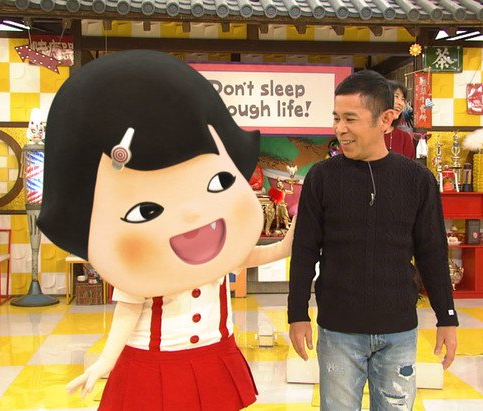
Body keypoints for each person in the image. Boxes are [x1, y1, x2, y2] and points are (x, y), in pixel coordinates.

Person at [37, 50, 294, 410]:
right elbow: (128, 310)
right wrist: (106, 361)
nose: (191, 213)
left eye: (219, 182)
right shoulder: (140, 267)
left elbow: (256, 255)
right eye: (145, 211)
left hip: (214, 352)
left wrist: (292, 238)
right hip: (154, 361)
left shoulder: (220, 250)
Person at [288, 70, 458, 411]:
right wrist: (297, 313)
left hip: (399, 331)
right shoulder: (321, 177)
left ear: (386, 119)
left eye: (350, 119)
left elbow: (432, 252)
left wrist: (447, 316)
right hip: (338, 330)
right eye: (336, 118)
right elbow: (305, 249)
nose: (340, 129)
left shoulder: (417, 179)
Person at [383, 80, 415, 159]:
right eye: (396, 96)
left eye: (403, 99)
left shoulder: (405, 138)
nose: (401, 103)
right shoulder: (367, 134)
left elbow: (409, 166)